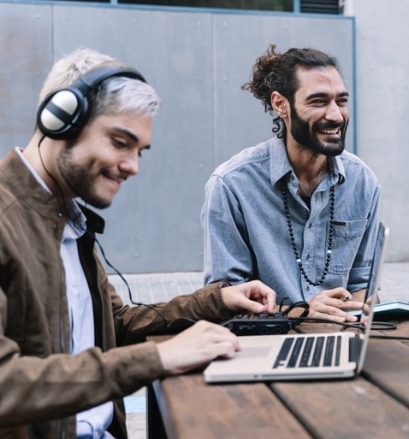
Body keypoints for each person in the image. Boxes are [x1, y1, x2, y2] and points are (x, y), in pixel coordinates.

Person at [0, 48, 278, 438]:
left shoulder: (67, 218)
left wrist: (218, 300)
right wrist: (157, 358)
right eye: (119, 142)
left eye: (139, 151)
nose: (133, 166)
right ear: (61, 119)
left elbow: (113, 324)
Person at [202, 44, 380, 323]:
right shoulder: (231, 185)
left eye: (341, 100)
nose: (335, 115)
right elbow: (226, 303)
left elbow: (362, 286)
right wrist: (302, 314)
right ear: (280, 104)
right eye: (319, 101)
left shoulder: (363, 182)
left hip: (342, 334)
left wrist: (357, 319)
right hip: (267, 339)